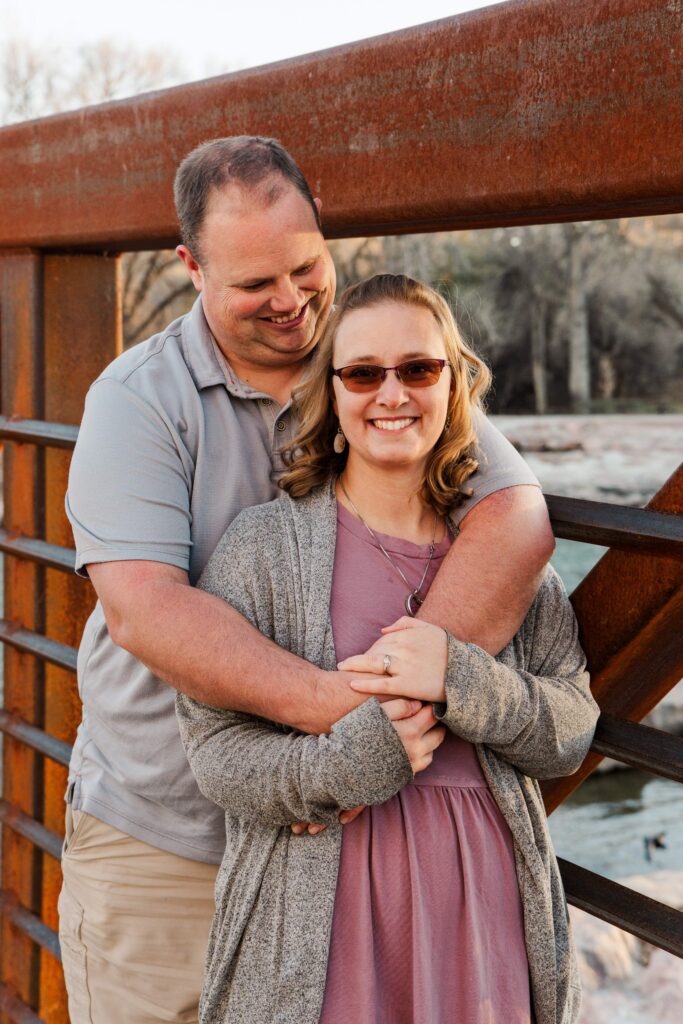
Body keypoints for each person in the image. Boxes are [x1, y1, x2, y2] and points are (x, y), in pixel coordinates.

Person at [60, 138, 554, 1023]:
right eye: (255, 283)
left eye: (304, 267)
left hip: (341, 841)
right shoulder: (136, 399)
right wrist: (342, 721)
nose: (290, 302)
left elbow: (513, 517)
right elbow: (144, 610)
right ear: (190, 268)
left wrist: (396, 710)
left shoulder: (380, 366)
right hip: (169, 837)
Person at [177, 274, 599, 1024]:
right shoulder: (264, 548)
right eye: (364, 374)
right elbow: (215, 751)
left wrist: (462, 677)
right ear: (333, 395)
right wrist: (337, 768)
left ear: (452, 384)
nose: (392, 394)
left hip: (481, 918)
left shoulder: (505, 565)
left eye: (418, 369)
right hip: (322, 920)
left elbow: (570, 729)